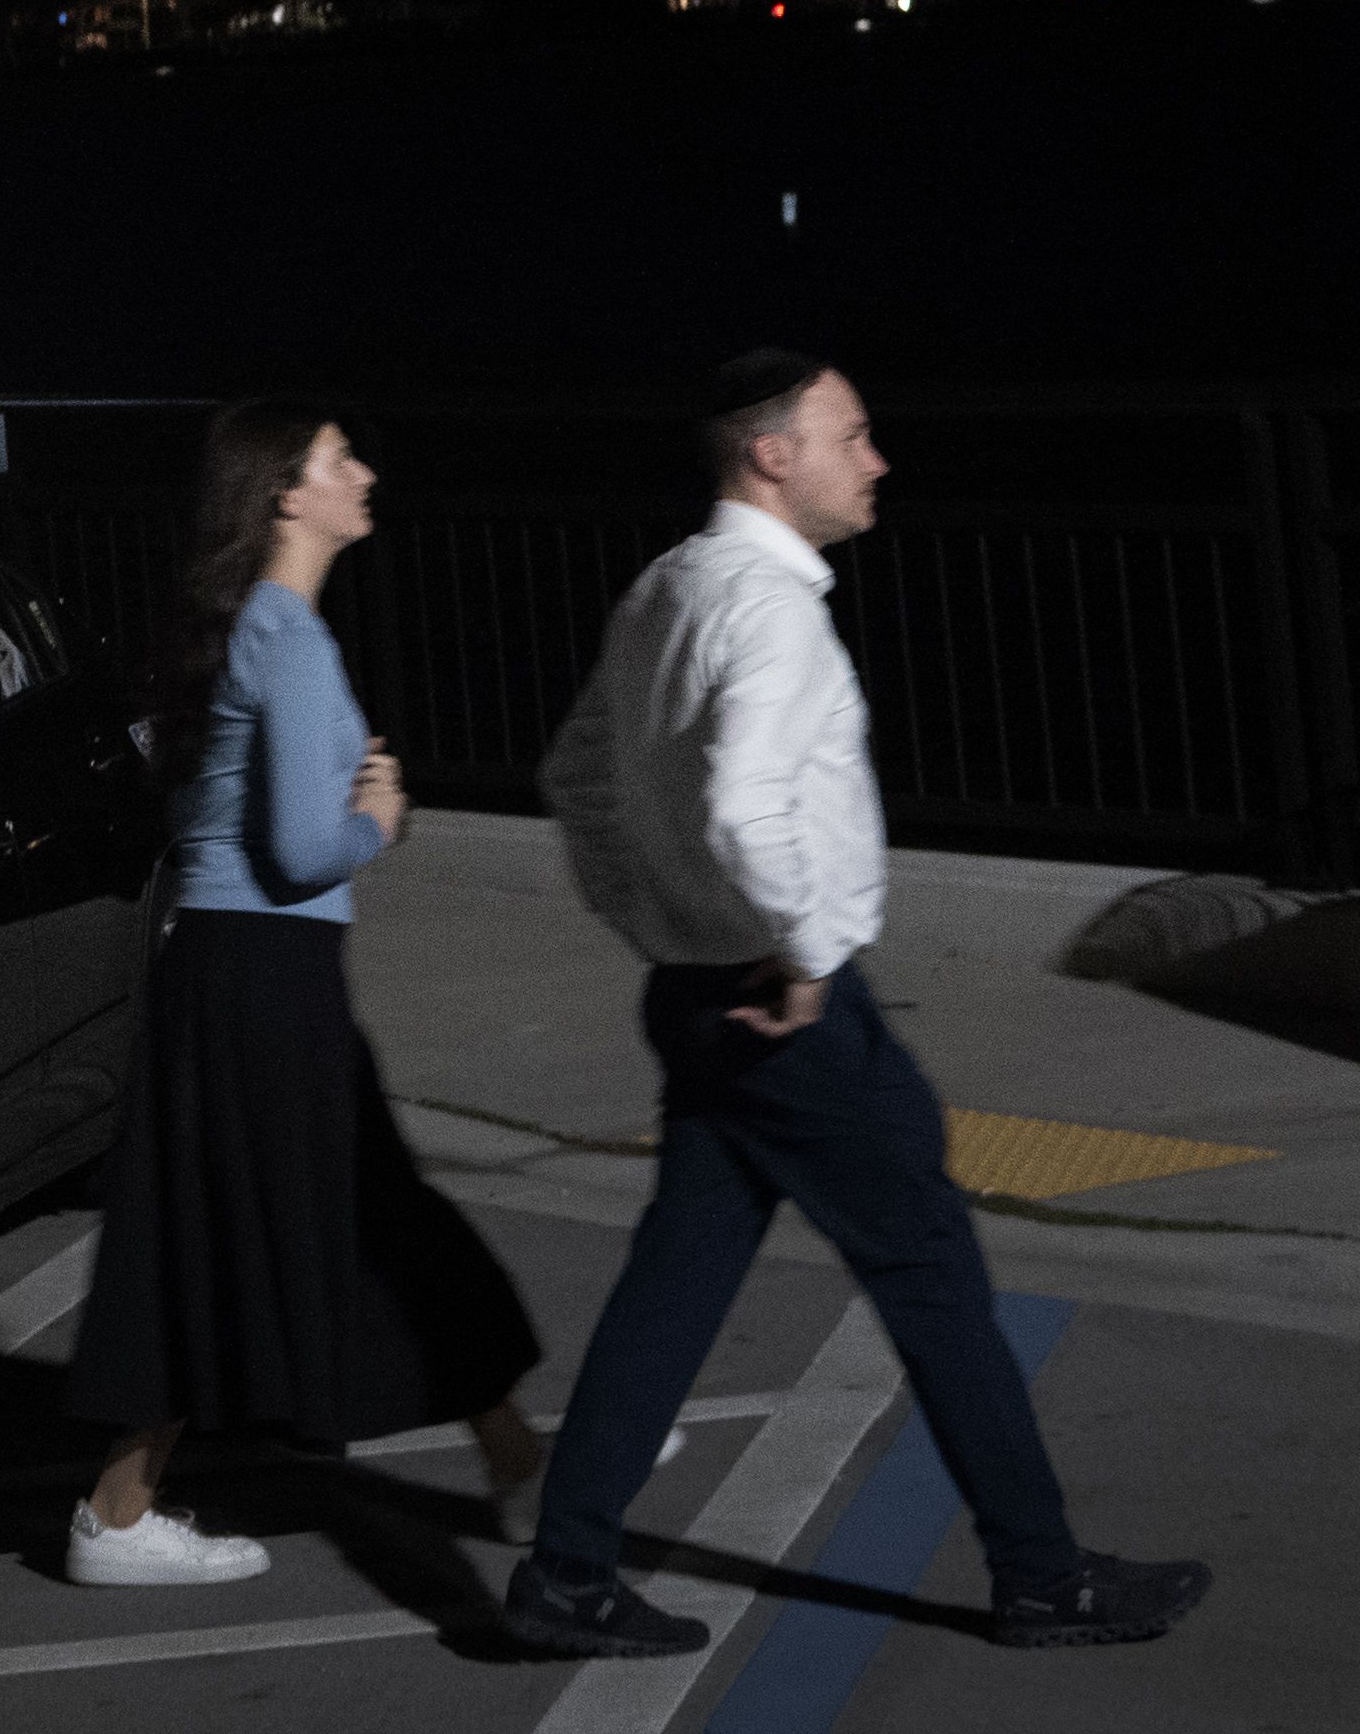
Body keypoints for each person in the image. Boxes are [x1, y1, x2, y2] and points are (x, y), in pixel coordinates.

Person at [491, 352, 1208, 1661]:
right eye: (851, 434)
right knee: (929, 1270)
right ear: (772, 454)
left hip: (699, 997)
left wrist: (657, 924)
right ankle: (1039, 1576)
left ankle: (568, 1572)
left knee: (675, 1279)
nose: (873, 460)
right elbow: (734, 807)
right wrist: (803, 948)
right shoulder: (768, 612)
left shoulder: (666, 586)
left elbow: (577, 777)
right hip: (789, 1017)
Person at [60, 405, 549, 1591]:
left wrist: (346, 790)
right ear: (287, 493)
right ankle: (115, 1512)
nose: (365, 471)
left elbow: (216, 818)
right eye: (340, 458)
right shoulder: (289, 636)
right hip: (262, 973)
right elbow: (292, 848)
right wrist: (376, 819)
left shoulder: (254, 628)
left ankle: (518, 1454)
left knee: (364, 1209)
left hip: (240, 970)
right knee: (236, 1229)